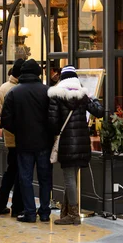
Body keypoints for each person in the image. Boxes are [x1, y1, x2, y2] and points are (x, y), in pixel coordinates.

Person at [48, 65, 104, 226]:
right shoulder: (83, 96)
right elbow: (99, 112)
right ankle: (66, 210)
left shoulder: (56, 96)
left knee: (69, 178)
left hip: (66, 143)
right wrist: (89, 97)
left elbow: (52, 123)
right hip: (82, 143)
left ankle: (73, 214)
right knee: (72, 178)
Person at [1, 59, 53, 223]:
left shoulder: (14, 92)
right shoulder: (47, 91)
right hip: (44, 142)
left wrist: (19, 131)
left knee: (25, 178)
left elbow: (5, 120)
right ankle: (44, 212)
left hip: (24, 143)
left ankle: (30, 212)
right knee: (45, 178)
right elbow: (54, 117)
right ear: (39, 74)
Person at [0, 59, 24, 217]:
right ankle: (16, 206)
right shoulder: (18, 89)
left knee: (11, 171)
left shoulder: (4, 87)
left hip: (8, 136)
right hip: (19, 136)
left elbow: (1, 111)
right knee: (18, 172)